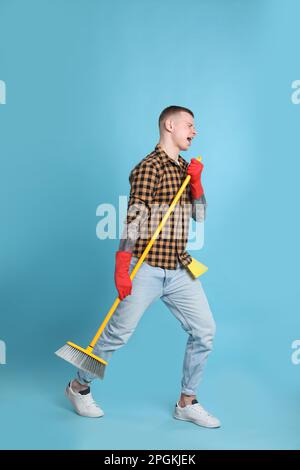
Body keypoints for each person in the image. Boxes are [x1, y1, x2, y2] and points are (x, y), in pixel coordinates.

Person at [65, 105, 220, 428]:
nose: (195, 131)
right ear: (169, 125)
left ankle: (187, 402)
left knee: (205, 331)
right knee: (116, 335)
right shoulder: (149, 168)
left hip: (179, 268)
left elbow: (201, 217)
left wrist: (197, 184)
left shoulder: (184, 168)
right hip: (146, 268)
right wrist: (122, 265)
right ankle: (78, 387)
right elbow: (134, 219)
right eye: (190, 125)